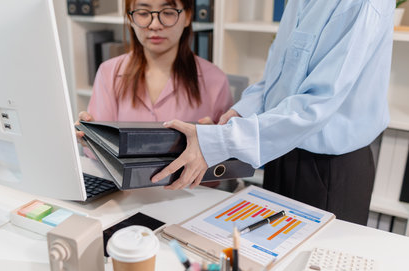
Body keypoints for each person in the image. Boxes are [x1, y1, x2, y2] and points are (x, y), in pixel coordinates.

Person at [151, 0, 395, 225]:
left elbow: (318, 104)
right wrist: (239, 113)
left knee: (311, 265)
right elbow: (277, 80)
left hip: (327, 169)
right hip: (281, 152)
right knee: (266, 256)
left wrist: (220, 141)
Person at [76, 0, 232, 145]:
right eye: (143, 13)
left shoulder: (215, 79)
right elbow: (101, 150)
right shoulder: (108, 73)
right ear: (130, 17)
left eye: (168, 12)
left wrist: (216, 144)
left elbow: (230, 161)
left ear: (188, 16)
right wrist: (89, 139)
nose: (155, 25)